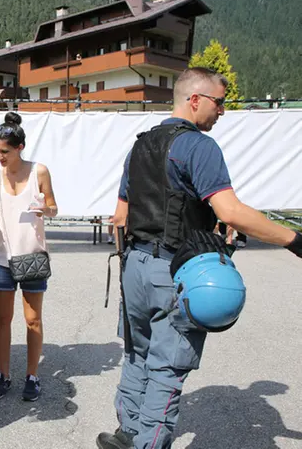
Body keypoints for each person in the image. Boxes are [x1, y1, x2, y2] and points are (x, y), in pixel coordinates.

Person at [97, 67, 302, 449]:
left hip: (135, 266)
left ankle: (127, 433)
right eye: (219, 102)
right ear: (195, 100)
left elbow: (120, 217)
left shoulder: (139, 145)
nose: (221, 111)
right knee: (167, 369)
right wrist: (294, 239)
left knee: (137, 355)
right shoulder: (199, 147)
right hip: (176, 268)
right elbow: (231, 212)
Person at [0, 112, 58, 402]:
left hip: (32, 255)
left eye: (5, 151)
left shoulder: (39, 171)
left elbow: (53, 207)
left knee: (33, 320)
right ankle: (3, 375)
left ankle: (32, 376)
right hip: (3, 254)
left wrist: (44, 210)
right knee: (2, 319)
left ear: (19, 148)